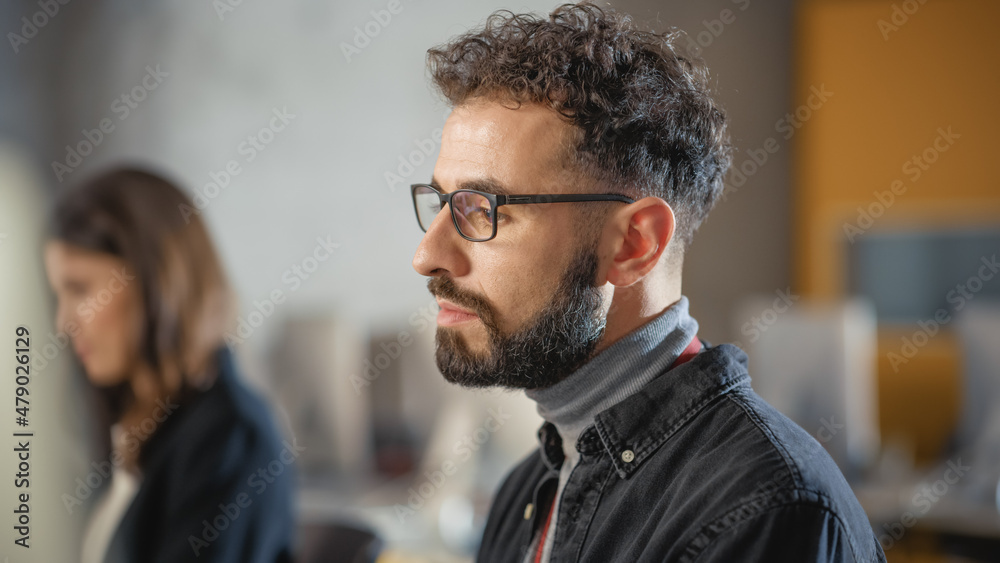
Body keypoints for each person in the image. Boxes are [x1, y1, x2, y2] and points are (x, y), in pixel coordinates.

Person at [408, 3, 886, 562]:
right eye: (442, 203)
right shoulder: (527, 490)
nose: (426, 255)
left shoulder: (765, 510)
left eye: (482, 209)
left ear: (635, 245)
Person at [44, 167, 296, 563]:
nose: (64, 322)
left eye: (80, 289)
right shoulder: (137, 429)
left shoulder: (230, 437)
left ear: (157, 280)